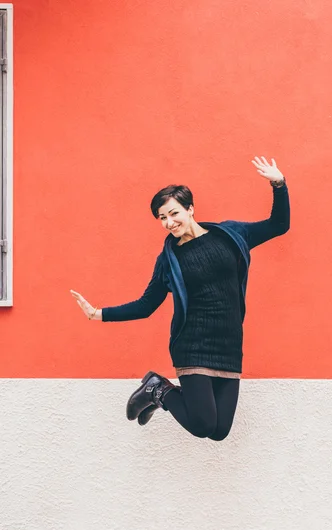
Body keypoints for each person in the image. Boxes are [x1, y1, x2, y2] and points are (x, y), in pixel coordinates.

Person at [70, 156, 290, 441]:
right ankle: (157, 389)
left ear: (190, 209)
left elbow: (279, 224)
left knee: (220, 431)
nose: (168, 222)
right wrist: (99, 313)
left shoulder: (231, 235)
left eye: (173, 213)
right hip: (193, 345)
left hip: (229, 345)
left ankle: (158, 392)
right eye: (162, 218)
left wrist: (278, 183)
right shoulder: (168, 261)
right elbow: (147, 305)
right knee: (202, 426)